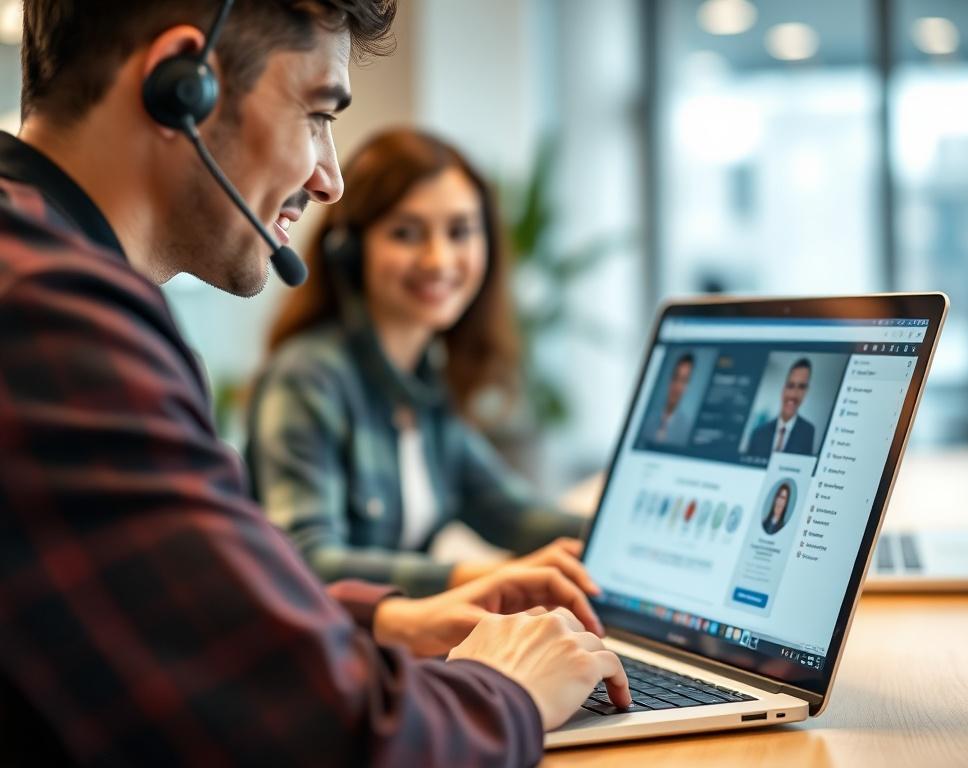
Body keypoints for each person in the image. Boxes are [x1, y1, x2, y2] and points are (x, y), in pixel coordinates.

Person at [0, 2, 630, 765]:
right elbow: (331, 738)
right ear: (181, 84)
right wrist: (512, 689)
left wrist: (384, 620)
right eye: (318, 113)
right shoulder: (50, 317)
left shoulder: (44, 270)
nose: (329, 178)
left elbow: (181, 617)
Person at [246, 128, 591, 598]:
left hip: (406, 655)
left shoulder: (425, 383)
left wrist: (639, 535)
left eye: (460, 231)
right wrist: (480, 578)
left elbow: (517, 517)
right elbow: (307, 562)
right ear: (350, 250)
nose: (439, 259)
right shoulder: (307, 376)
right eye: (407, 233)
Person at [746, 358, 816, 459]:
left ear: (806, 391)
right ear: (783, 389)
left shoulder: (808, 432)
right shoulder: (758, 433)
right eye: (790, 386)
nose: (793, 394)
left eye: (801, 387)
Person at [643, 352, 695, 445]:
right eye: (676, 377)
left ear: (687, 387)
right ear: (670, 379)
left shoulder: (686, 430)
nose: (677, 386)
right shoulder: (647, 418)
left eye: (684, 380)